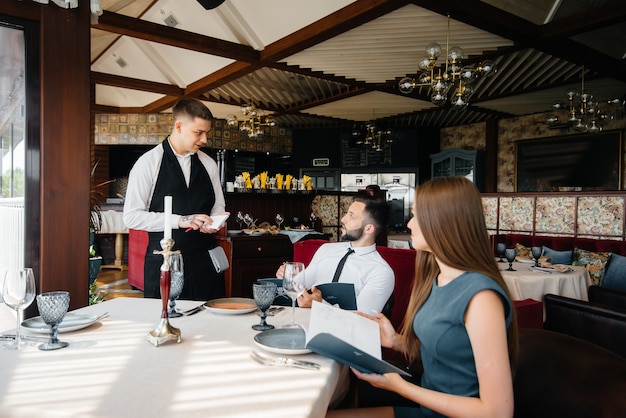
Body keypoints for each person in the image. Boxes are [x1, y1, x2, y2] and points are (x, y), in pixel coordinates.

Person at [327, 177, 518, 418]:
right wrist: (397, 341)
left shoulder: (481, 297)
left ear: (444, 221)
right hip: (427, 409)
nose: (409, 224)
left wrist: (401, 387)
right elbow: (451, 352)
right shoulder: (437, 279)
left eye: (417, 216)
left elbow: (497, 412)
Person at [123, 98, 227, 300]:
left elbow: (218, 205)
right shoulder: (148, 163)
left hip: (205, 263)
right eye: (199, 132)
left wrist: (214, 222)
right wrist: (179, 220)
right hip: (165, 262)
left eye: (207, 132)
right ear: (179, 126)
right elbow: (131, 216)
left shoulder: (209, 164)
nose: (205, 139)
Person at [277, 194, 394, 315]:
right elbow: (299, 285)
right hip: (304, 323)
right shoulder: (326, 249)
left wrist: (319, 305)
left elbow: (362, 320)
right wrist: (288, 277)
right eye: (347, 213)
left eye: (351, 216)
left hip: (346, 333)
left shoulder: (381, 271)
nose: (343, 219)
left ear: (368, 229)